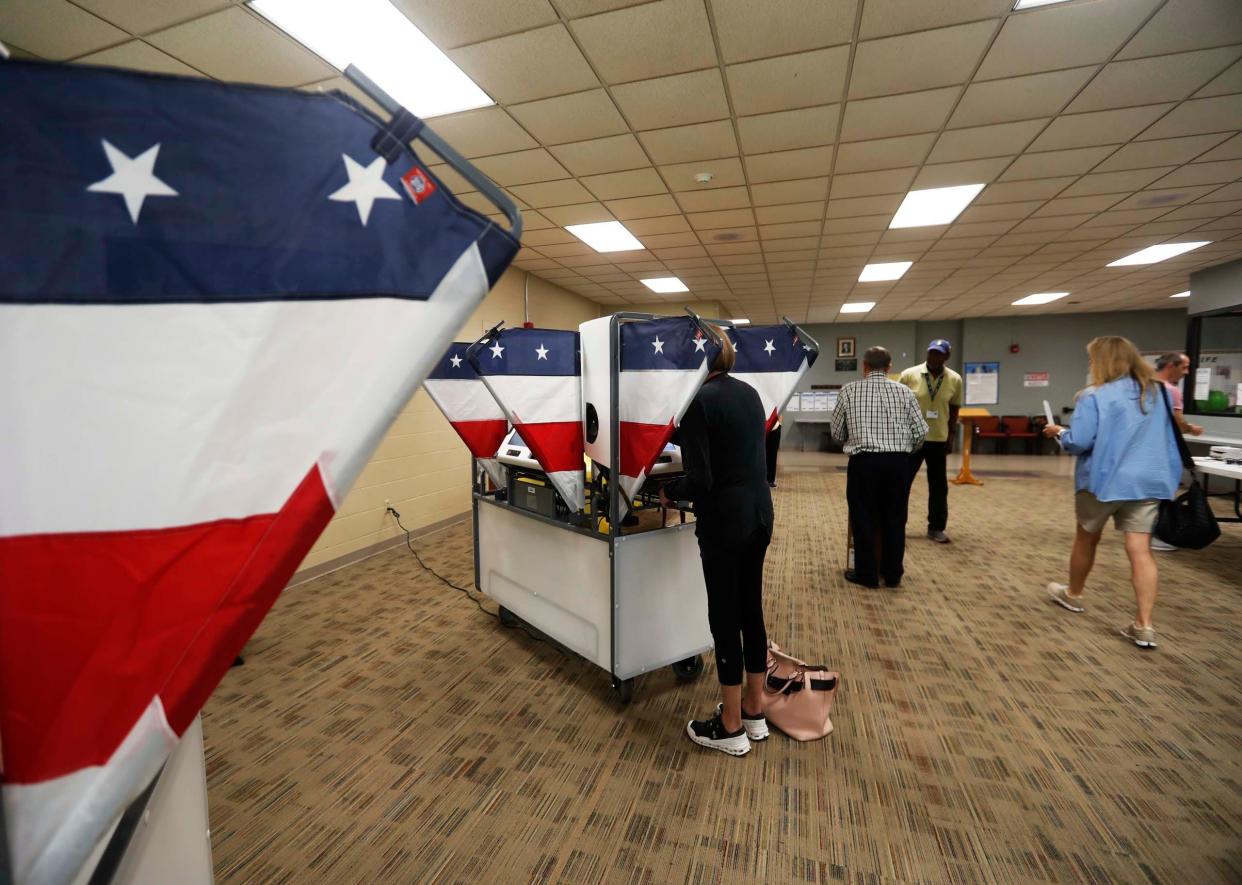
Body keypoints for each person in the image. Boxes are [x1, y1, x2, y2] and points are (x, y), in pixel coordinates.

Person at [659, 329, 773, 756]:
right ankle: (754, 712)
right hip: (760, 515)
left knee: (724, 618)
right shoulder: (750, 394)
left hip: (725, 522)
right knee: (751, 612)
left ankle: (729, 728)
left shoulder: (698, 403)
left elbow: (702, 479)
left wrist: (672, 492)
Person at [1042, 336, 1182, 650]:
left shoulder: (1093, 395)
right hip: (1148, 480)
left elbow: (1079, 442)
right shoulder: (1157, 392)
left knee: (1087, 536)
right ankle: (1144, 624)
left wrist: (1059, 432)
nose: (1090, 365)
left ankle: (1074, 594)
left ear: (1103, 362)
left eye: (1092, 360)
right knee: (1140, 549)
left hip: (1104, 480)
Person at [830, 346, 928, 589]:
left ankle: (867, 574)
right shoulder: (905, 392)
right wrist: (903, 453)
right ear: (889, 367)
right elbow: (920, 433)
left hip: (864, 463)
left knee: (863, 518)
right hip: (897, 463)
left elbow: (836, 432)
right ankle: (893, 573)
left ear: (864, 367)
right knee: (895, 518)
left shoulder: (849, 391)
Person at [899, 339, 964, 543]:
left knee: (939, 486)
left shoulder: (954, 379)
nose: (934, 357)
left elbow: (954, 408)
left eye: (938, 354)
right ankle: (897, 525)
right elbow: (897, 404)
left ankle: (936, 527)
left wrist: (951, 436)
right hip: (912, 439)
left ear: (946, 356)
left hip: (938, 439)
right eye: (931, 353)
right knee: (901, 484)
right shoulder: (910, 375)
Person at [1154, 352, 1204, 437]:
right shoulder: (1171, 390)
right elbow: (1178, 424)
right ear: (1171, 366)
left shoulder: (1143, 386)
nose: (1186, 372)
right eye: (1184, 368)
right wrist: (1191, 429)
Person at [765, 416, 781, 488]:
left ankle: (771, 480)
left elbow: (780, 413)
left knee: (773, 454)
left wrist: (780, 424)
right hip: (764, 427)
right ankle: (762, 479)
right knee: (762, 454)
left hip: (775, 428)